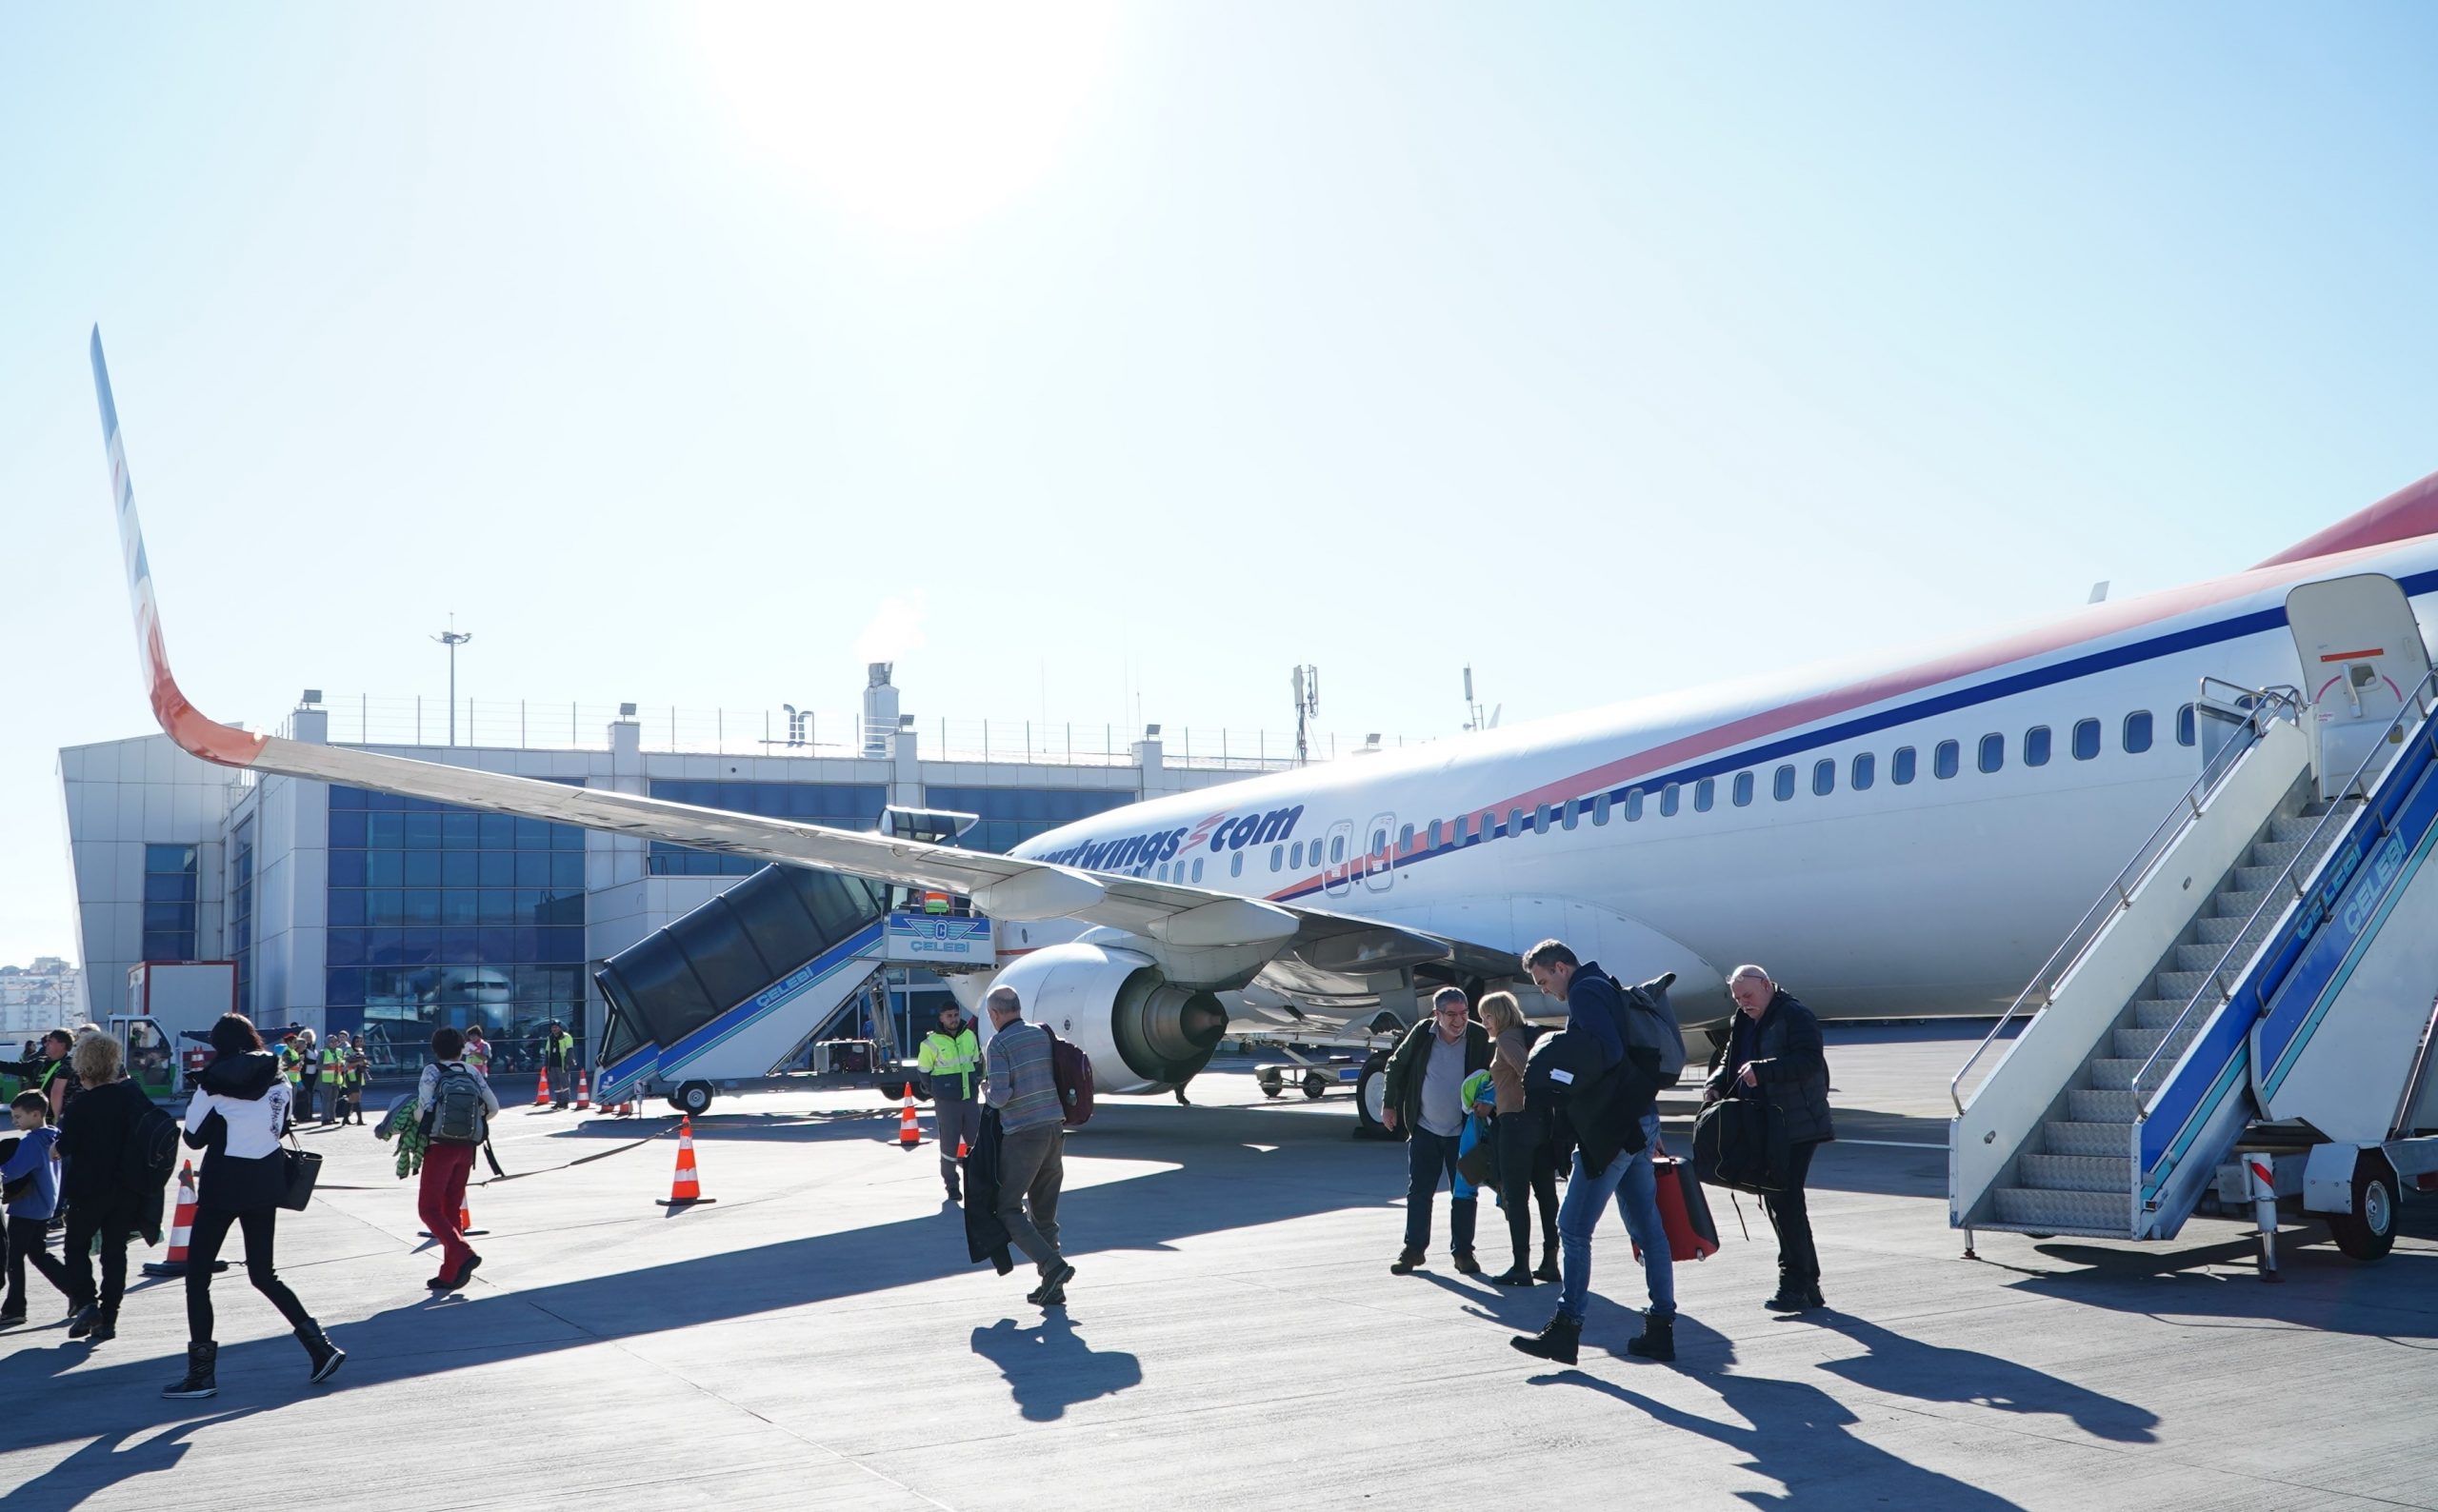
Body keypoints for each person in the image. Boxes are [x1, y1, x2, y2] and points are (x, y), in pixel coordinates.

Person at [1511, 940, 1675, 1364]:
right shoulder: (1605, 983)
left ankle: (1567, 1328)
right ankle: (1661, 1327)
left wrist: (1555, 1055)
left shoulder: (1584, 991)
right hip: (1638, 1119)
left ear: (1561, 968)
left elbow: (1608, 1051)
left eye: (1543, 980)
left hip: (1612, 1129)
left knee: (1572, 1227)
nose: (1544, 990)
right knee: (1648, 1228)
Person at [162, 1013, 343, 1398]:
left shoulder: (211, 1084)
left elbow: (192, 1138)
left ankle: (201, 1375)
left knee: (198, 1277)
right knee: (263, 1274)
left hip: (223, 1184)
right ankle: (320, 1346)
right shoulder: (280, 1080)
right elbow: (282, 1126)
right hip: (266, 1181)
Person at [1706, 964, 1833, 1312]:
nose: (1743, 1003)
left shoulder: (1794, 1015)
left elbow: (1809, 1061)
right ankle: (1806, 1284)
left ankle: (1795, 1282)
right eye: (1737, 998)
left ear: (1766, 985)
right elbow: (1730, 1059)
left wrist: (1764, 1071)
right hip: (1765, 1124)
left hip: (1797, 1124)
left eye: (1747, 995)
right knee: (1783, 1203)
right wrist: (1715, 1083)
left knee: (1785, 1201)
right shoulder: (1743, 1019)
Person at [55, 1032, 162, 1344]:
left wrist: (54, 1149)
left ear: (83, 1067)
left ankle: (88, 1303)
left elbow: (65, 1146)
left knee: (76, 1248)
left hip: (88, 1189)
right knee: (115, 1252)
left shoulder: (80, 1105)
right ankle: (109, 1317)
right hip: (127, 1187)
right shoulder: (131, 1098)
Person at [1382, 987, 1491, 1276]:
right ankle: (1413, 1250)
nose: (1459, 1020)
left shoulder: (1479, 1036)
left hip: (1463, 1132)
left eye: (1464, 1013)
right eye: (1451, 1014)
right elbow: (1396, 1065)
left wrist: (1488, 1102)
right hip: (1425, 1128)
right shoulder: (1423, 1033)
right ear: (1436, 1014)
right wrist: (1389, 1105)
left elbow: (1495, 1073)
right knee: (1419, 1191)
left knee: (1464, 1193)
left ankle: (1463, 1252)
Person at [981, 986, 1075, 1307]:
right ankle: (1053, 1287)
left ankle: (1053, 1266)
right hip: (1054, 1128)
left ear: (994, 1014)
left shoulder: (998, 1044)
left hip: (1023, 1135)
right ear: (1018, 1008)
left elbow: (1000, 1096)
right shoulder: (1040, 1034)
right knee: (1044, 1213)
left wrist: (986, 1090)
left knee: (1007, 1208)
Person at [1478, 992, 1560, 1286]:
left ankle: (1521, 1266)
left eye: (1487, 1016)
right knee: (1546, 1194)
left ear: (1499, 1015)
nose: (1484, 1023)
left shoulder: (1506, 1039)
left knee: (1516, 1196)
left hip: (1516, 1123)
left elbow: (1527, 1071)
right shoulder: (1528, 1035)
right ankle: (1550, 1261)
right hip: (1540, 1122)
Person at [414, 1026, 499, 1292]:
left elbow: (422, 1111)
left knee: (429, 1209)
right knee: (452, 1208)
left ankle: (462, 1253)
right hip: (467, 1148)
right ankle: (451, 1273)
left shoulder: (432, 1071)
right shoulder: (472, 1072)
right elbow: (493, 1108)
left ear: (435, 1049)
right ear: (462, 1048)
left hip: (440, 1147)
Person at [2, 1089, 73, 1326]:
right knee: (38, 1254)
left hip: (26, 1208)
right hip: (45, 1206)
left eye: (18, 1116)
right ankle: (76, 1292)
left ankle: (15, 1307)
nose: (14, 1121)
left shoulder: (31, 1142)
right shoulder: (53, 1136)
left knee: (13, 1258)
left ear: (35, 1114)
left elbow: (12, 1171)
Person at [919, 1003, 983, 1203]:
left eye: (955, 1015)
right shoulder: (930, 1043)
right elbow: (923, 1073)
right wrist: (937, 1092)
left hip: (969, 1099)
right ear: (941, 1018)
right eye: (949, 1016)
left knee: (977, 1143)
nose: (953, 1019)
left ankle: (978, 1182)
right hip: (947, 1103)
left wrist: (975, 1082)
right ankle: (952, 1185)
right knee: (949, 1145)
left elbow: (977, 1064)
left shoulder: (969, 1036)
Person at [541, 1021, 576, 1109]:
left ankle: (565, 1102)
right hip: (552, 1064)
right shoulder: (550, 1037)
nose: (554, 1029)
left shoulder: (566, 1037)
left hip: (562, 1064)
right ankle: (559, 1102)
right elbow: (547, 1052)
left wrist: (567, 1063)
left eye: (556, 1027)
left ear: (560, 1028)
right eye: (553, 1027)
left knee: (565, 1083)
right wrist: (546, 1065)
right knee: (556, 1084)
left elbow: (570, 1051)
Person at [292, 1028, 321, 1124]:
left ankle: (309, 1114)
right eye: (307, 1036)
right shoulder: (301, 1047)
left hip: (312, 1074)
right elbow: (303, 1060)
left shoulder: (312, 1047)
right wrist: (317, 1062)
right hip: (304, 1074)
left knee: (310, 1095)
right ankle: (302, 1115)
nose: (309, 1038)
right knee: (304, 1095)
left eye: (310, 1036)